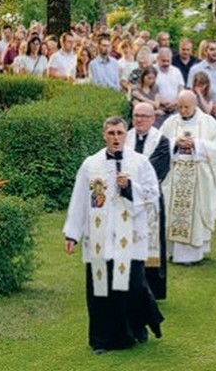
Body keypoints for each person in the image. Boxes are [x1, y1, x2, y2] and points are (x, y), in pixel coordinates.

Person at [62, 117, 164, 354]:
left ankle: (139, 328)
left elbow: (152, 194)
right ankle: (102, 340)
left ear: (126, 135)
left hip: (131, 237)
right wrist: (72, 235)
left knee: (134, 286)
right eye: (111, 133)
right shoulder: (91, 164)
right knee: (101, 290)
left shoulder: (140, 163)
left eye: (119, 132)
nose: (116, 137)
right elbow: (79, 200)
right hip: (101, 238)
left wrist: (130, 188)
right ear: (104, 135)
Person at [160, 90, 216, 265]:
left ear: (195, 104)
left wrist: (197, 144)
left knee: (197, 212)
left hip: (198, 177)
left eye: (187, 107)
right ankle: (173, 252)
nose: (183, 110)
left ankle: (194, 254)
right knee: (171, 211)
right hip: (175, 175)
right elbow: (159, 144)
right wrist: (175, 143)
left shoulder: (208, 122)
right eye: (180, 107)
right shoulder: (170, 123)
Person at [125, 103, 171, 300]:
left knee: (151, 244)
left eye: (144, 116)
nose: (139, 120)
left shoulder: (161, 141)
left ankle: (152, 290)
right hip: (126, 198)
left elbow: (157, 170)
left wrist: (131, 180)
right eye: (136, 115)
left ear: (153, 119)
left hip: (150, 199)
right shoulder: (124, 137)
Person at [187, 40, 216, 120]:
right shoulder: (196, 69)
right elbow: (190, 91)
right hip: (201, 113)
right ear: (205, 51)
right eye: (212, 49)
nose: (215, 52)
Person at [154, 47, 184, 126]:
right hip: (158, 110)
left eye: (168, 61)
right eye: (163, 61)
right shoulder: (152, 71)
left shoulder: (176, 71)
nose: (166, 63)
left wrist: (175, 102)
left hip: (175, 110)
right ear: (158, 59)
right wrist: (161, 102)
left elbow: (181, 89)